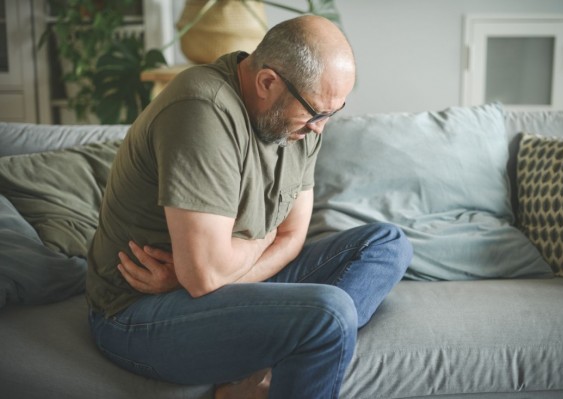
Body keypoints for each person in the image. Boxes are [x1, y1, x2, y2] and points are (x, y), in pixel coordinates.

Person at [86, 15, 413, 399]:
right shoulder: (202, 108)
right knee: (330, 312)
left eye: (332, 113)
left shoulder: (302, 122)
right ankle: (292, 346)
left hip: (195, 284)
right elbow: (208, 274)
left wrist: (201, 275)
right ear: (267, 82)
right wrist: (258, 243)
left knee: (388, 243)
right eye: (316, 112)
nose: (321, 128)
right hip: (139, 313)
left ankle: (269, 371)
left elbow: (291, 237)